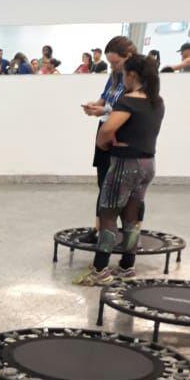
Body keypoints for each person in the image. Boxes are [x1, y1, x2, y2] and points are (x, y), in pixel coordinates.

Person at [77, 55, 164, 285]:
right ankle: (127, 266)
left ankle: (100, 270)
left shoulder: (128, 101)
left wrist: (103, 144)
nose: (122, 78)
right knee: (132, 215)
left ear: (132, 75)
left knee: (108, 214)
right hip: (148, 164)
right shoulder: (157, 101)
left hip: (126, 164)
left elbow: (107, 130)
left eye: (124, 74)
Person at [77, 35, 138, 275]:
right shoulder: (113, 77)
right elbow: (105, 99)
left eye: (115, 62)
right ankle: (98, 229)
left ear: (128, 57)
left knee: (123, 192)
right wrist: (95, 107)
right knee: (103, 185)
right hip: (105, 129)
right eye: (110, 63)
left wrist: (105, 110)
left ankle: (124, 242)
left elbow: (130, 108)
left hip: (121, 135)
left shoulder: (135, 80)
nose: (112, 67)